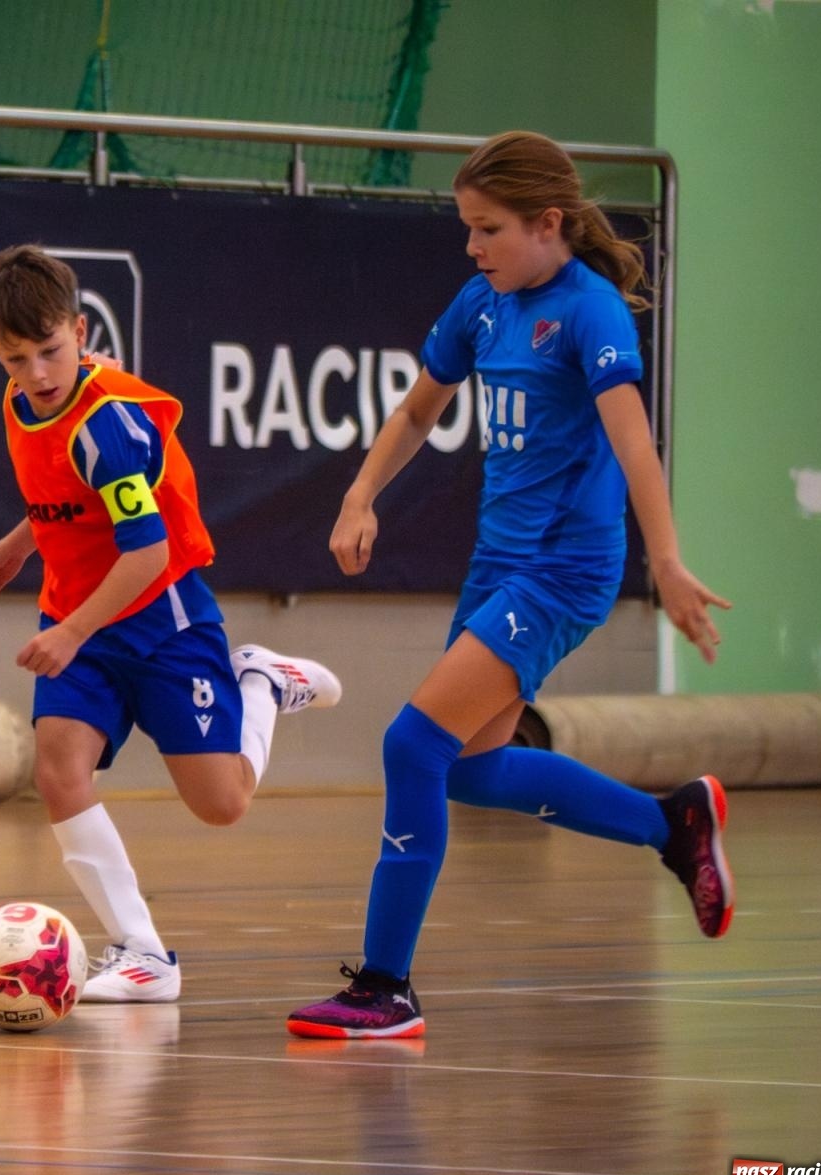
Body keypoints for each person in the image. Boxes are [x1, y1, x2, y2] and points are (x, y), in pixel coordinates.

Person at [286, 131, 734, 1039]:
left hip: (567, 568)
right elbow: (419, 409)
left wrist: (669, 561)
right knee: (471, 769)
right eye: (467, 227)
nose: (471, 245)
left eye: (487, 229)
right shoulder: (481, 304)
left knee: (412, 747)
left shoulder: (591, 312)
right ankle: (672, 822)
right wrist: (361, 493)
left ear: (548, 224)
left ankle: (385, 987)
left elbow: (634, 446)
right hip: (500, 562)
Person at [0, 245, 342, 1002]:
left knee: (221, 804)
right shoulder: (20, 404)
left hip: (159, 619)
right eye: (17, 359)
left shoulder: (108, 430)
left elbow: (146, 553)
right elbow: (65, 502)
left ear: (80, 330)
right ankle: (143, 953)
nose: (38, 374)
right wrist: (17, 546)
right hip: (77, 612)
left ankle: (262, 683)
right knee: (57, 772)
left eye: (51, 352)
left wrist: (71, 631)